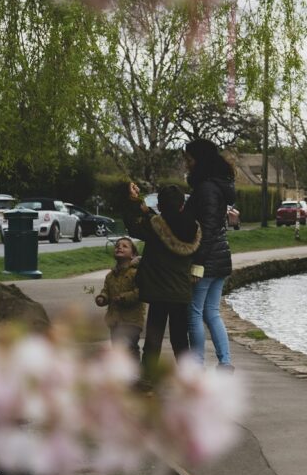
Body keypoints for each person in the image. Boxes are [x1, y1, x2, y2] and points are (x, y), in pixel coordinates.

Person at [124, 182, 201, 378]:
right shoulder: (192, 227)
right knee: (180, 340)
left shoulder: (154, 226)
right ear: (182, 205)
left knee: (153, 339)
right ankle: (189, 380)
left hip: (158, 291)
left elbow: (134, 227)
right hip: (181, 292)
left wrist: (132, 202)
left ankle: (148, 380)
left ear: (160, 205)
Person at [184, 138, 236, 369]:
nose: (187, 164)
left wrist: (198, 263)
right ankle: (224, 363)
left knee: (194, 312)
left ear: (200, 160)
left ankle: (197, 365)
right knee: (211, 312)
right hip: (221, 257)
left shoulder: (206, 189)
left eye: (190, 159)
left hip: (207, 260)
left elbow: (207, 228)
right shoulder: (220, 186)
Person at [95, 236, 145, 361]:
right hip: (115, 320)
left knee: (129, 347)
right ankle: (121, 372)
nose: (119, 247)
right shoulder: (110, 276)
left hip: (131, 321)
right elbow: (106, 290)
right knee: (117, 348)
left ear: (133, 255)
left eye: (124, 246)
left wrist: (124, 297)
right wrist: (102, 297)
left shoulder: (136, 273)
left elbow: (141, 292)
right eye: (117, 245)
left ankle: (134, 373)